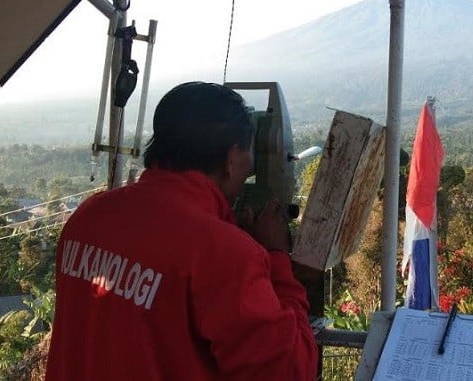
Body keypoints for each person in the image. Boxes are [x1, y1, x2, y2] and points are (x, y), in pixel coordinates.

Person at [45, 82, 318, 380]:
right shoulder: (224, 254)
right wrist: (276, 256)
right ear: (231, 159)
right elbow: (290, 371)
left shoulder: (87, 218)